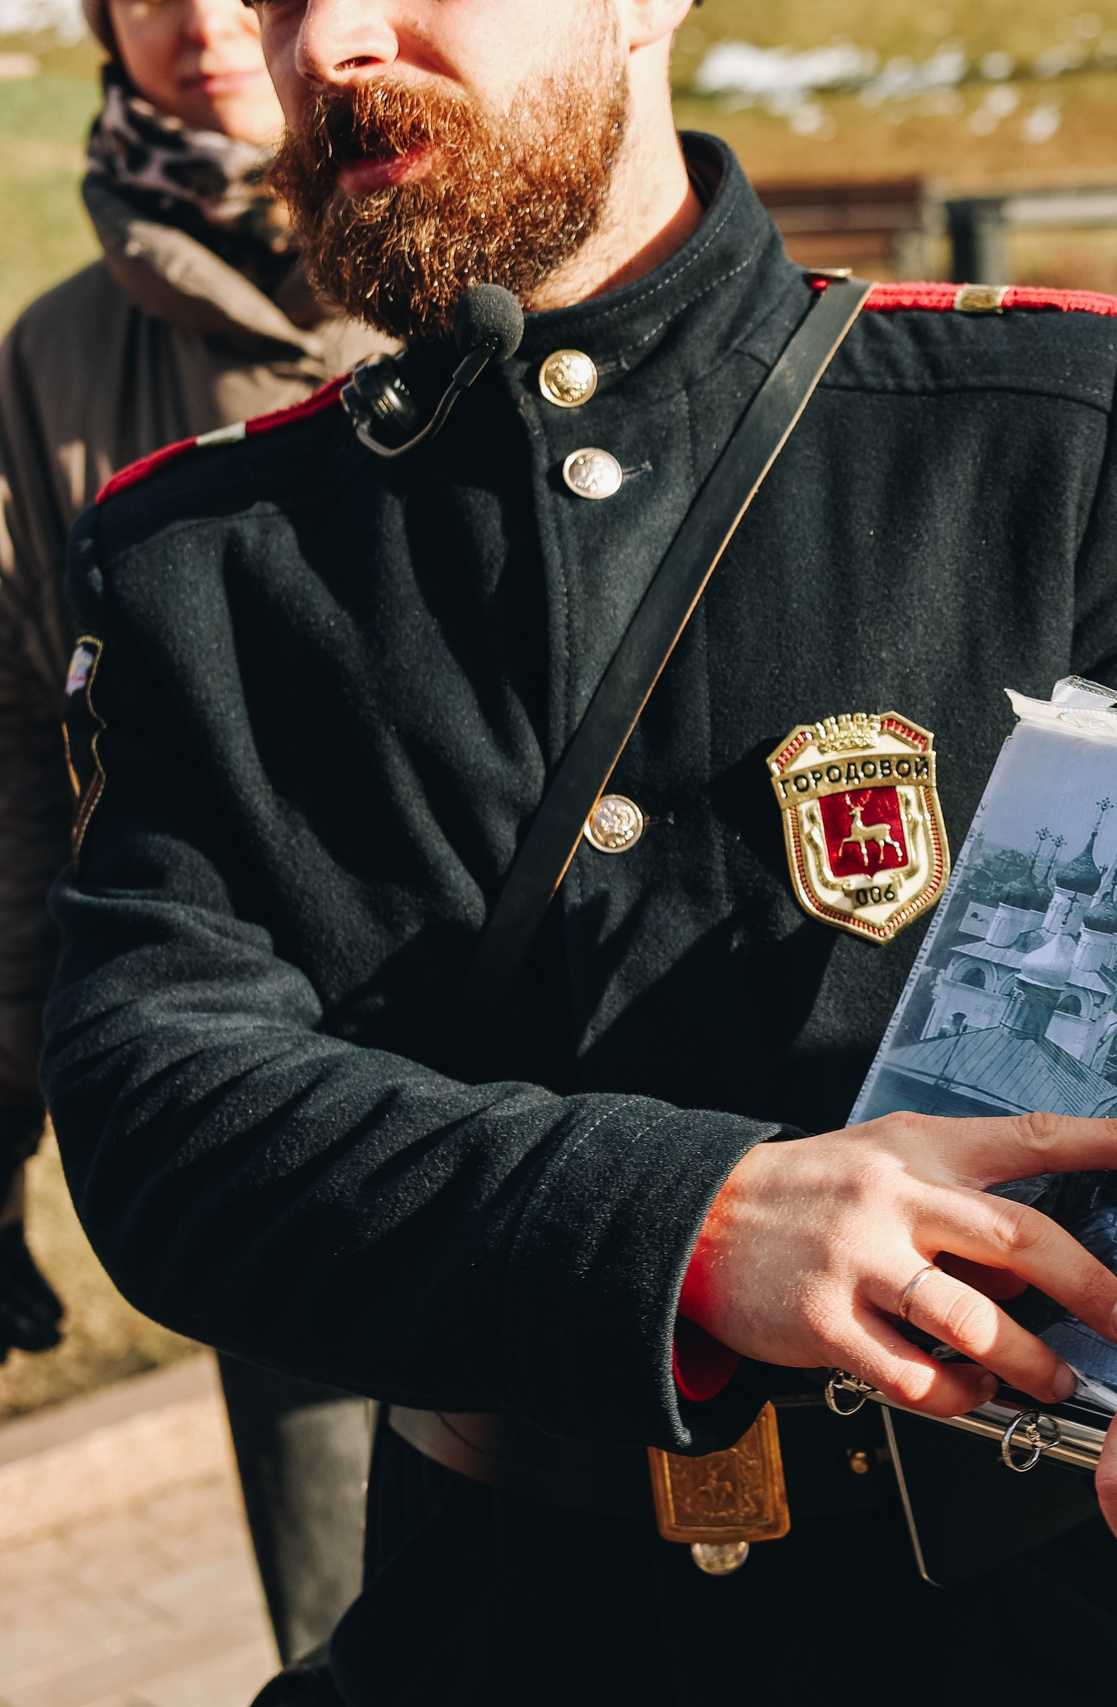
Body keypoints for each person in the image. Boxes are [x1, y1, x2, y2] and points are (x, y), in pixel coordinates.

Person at [42, 0, 1117, 1701]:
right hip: (498, 1630)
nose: (331, 46)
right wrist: (689, 1222)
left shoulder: (1041, 421)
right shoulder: (209, 558)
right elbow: (165, 1114)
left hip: (1051, 1634)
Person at [0, 0, 392, 1667]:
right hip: (277, 1133)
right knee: (355, 1638)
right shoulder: (58, 360)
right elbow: (26, 783)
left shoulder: (473, 256)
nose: (198, 18)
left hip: (601, 1107)